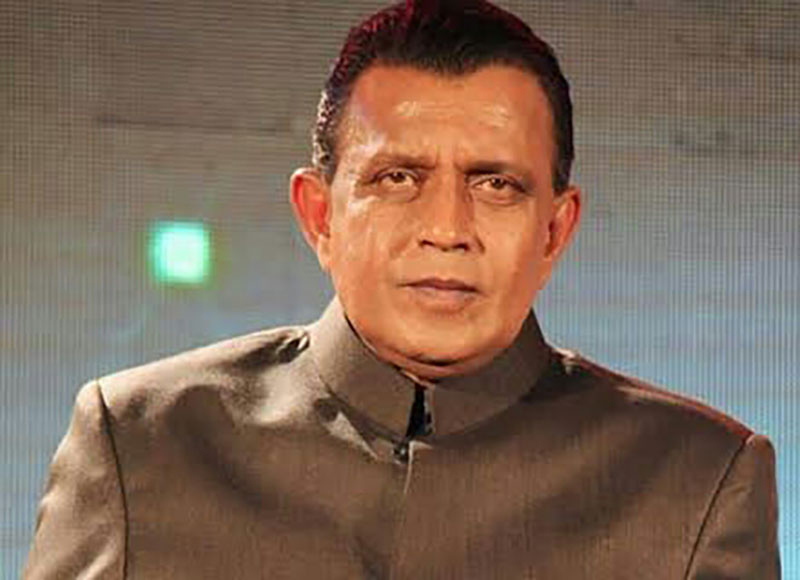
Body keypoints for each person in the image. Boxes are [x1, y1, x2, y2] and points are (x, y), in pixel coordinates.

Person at [24, 1, 780, 578]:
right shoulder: (142, 442)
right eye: (397, 178)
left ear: (555, 229)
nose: (446, 228)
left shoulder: (697, 479)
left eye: (496, 184)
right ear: (320, 216)